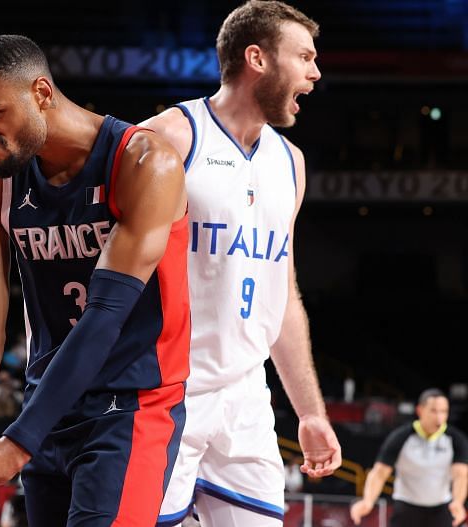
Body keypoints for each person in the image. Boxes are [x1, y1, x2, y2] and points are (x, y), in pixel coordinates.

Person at [0, 34, 191, 527]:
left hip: (130, 406)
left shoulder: (144, 162)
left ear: (40, 92)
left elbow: (104, 317)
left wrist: (16, 445)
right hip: (47, 408)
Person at [139, 2, 342, 525]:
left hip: (247, 400)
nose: (315, 73)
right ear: (257, 58)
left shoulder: (290, 163)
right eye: (304, 57)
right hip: (163, 394)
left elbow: (283, 297)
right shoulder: (171, 136)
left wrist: (311, 412)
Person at [350, 388, 468, 527]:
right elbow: (379, 473)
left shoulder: (456, 439)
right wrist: (368, 500)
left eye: (444, 411)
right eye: (434, 411)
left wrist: (458, 502)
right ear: (420, 410)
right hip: (406, 507)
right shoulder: (401, 437)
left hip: (441, 508)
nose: (439, 417)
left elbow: (461, 474)